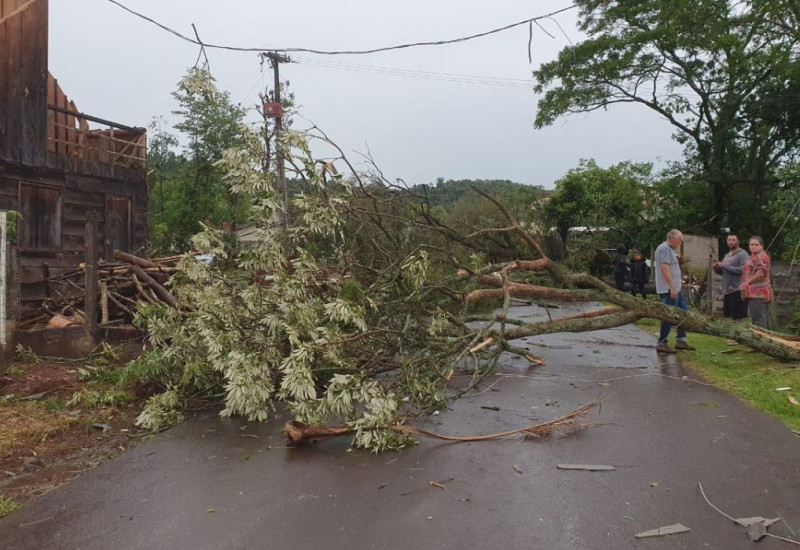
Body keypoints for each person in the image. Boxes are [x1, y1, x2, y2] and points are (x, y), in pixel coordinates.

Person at [654, 229, 695, 353]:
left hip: (676, 289)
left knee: (683, 312)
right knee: (669, 315)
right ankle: (662, 343)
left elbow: (671, 265)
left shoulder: (669, 250)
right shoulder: (664, 249)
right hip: (669, 289)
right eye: (679, 240)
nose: (680, 243)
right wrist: (671, 287)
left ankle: (681, 340)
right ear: (672, 238)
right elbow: (665, 269)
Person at [712, 234, 749, 343]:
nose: (731, 242)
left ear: (738, 241)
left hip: (737, 288)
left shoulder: (742, 254)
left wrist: (724, 266)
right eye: (729, 240)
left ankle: (737, 338)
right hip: (727, 289)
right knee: (731, 315)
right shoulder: (727, 255)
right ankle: (733, 336)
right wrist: (717, 268)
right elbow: (725, 272)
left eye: (733, 240)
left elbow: (744, 269)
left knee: (737, 316)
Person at [741, 236, 773, 329]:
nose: (753, 246)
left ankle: (761, 337)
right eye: (751, 244)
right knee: (758, 318)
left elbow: (761, 273)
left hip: (759, 294)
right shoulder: (752, 257)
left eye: (756, 244)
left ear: (761, 246)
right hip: (753, 293)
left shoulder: (762, 257)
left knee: (759, 320)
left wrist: (747, 282)